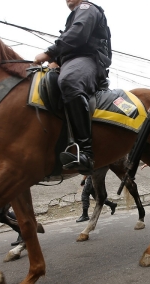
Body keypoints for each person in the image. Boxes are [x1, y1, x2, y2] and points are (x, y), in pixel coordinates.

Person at [34, 0, 112, 175]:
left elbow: (78, 34)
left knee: (69, 81)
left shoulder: (87, 8)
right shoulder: (75, 14)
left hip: (89, 60)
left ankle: (85, 152)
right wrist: (54, 61)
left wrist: (49, 52)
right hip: (71, 61)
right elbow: (69, 48)